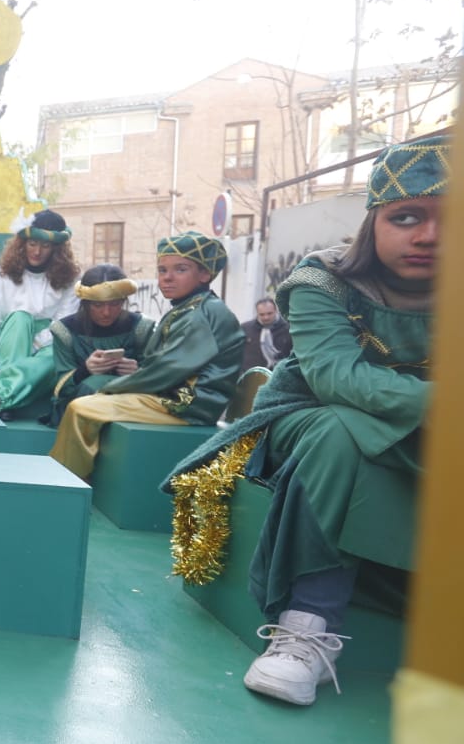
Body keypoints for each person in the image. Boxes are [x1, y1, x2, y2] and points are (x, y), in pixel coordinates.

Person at [165, 136, 443, 706]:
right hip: (308, 417)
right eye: (406, 216)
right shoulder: (325, 278)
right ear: (374, 220)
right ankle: (306, 629)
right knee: (344, 430)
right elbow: (337, 378)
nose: (429, 236)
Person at [48, 231, 245, 480]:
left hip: (186, 405)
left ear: (205, 274)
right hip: (174, 397)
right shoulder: (189, 308)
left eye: (180, 269)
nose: (168, 278)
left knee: (81, 409)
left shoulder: (202, 314)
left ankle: (65, 483)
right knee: (86, 404)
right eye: (162, 270)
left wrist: (113, 388)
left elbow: (164, 370)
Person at [0, 210, 80, 418]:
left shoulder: (70, 279)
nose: (37, 251)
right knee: (20, 318)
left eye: (45, 246)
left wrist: (35, 346)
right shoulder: (2, 273)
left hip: (47, 343)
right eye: (32, 244)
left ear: (56, 249)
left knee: (57, 356)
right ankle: (6, 399)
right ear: (23, 243)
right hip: (11, 338)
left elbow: (64, 322)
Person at [46, 264, 156, 426]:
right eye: (97, 305)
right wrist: (85, 370)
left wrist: (138, 372)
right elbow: (60, 389)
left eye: (114, 304)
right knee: (93, 385)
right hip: (77, 408)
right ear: (85, 303)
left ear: (124, 301)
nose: (106, 312)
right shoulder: (65, 331)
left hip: (127, 405)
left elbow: (159, 380)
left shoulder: (141, 328)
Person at [241, 296, 293, 370]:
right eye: (262, 314)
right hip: (251, 375)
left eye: (269, 313)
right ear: (257, 313)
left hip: (278, 374)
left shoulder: (288, 329)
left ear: (276, 311)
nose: (266, 317)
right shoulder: (245, 328)